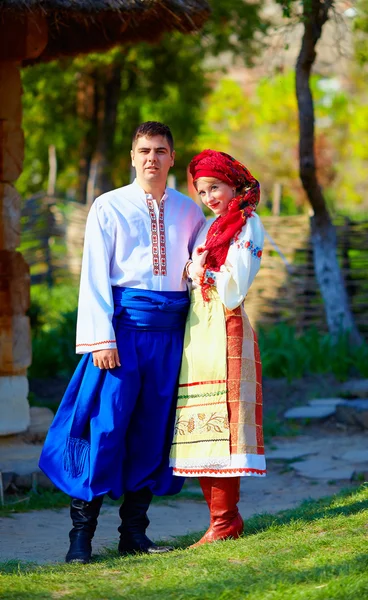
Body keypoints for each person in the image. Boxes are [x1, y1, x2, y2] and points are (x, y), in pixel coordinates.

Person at [39, 121, 205, 563]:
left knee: (153, 432)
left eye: (161, 150)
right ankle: (81, 538)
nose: (152, 157)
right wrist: (100, 338)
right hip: (122, 334)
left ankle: (134, 534)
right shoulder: (108, 206)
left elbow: (200, 275)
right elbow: (94, 275)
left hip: (171, 338)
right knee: (106, 428)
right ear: (133, 157)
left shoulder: (190, 212)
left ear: (172, 158)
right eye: (145, 150)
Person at [169, 149, 266, 547]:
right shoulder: (209, 226)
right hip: (198, 328)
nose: (209, 197)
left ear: (233, 184)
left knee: (224, 423)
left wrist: (199, 270)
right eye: (202, 190)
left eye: (216, 187)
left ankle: (224, 522)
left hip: (226, 326)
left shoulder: (247, 224)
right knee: (200, 422)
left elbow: (235, 285)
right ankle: (224, 520)